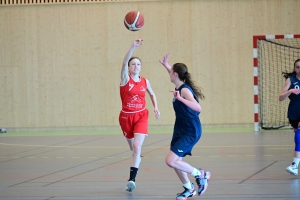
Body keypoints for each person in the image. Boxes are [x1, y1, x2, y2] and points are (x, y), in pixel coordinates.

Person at [159, 53, 211, 199]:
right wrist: (166, 65)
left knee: (170, 161)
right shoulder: (179, 85)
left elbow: (198, 108)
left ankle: (200, 175)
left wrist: (181, 99)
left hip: (190, 130)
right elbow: (175, 74)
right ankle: (189, 189)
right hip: (180, 129)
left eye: (170, 72)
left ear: (175, 74)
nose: (169, 73)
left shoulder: (184, 90)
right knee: (177, 162)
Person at [119, 39, 160, 192]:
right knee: (133, 148)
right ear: (129, 68)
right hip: (126, 117)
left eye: (138, 64)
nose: (136, 66)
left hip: (141, 116)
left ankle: (132, 179)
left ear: (141, 67)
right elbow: (123, 63)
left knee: (137, 147)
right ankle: (136, 157)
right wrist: (133, 47)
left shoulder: (145, 81)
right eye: (133, 64)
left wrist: (156, 107)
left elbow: (152, 94)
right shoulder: (125, 79)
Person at [279, 58, 300, 176]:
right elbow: (281, 98)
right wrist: (290, 91)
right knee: (298, 137)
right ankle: (295, 165)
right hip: (294, 112)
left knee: (299, 134)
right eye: (297, 67)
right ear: (294, 69)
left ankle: (294, 165)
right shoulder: (290, 80)